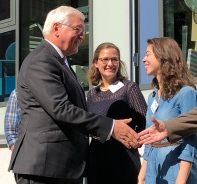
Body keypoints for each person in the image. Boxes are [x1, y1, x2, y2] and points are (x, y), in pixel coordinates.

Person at [8, 6, 140, 184]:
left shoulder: (59, 61)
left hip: (62, 168)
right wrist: (111, 127)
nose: (82, 35)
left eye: (83, 31)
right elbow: (61, 108)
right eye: (77, 29)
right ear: (56, 28)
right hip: (45, 168)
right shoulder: (42, 61)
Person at [138, 37, 197, 184]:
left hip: (175, 170)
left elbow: (191, 141)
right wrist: (141, 177)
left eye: (148, 54)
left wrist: (180, 180)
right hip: (152, 172)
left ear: (163, 56)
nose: (143, 59)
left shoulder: (186, 93)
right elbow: (149, 142)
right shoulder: (152, 97)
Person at [86, 42, 147, 184]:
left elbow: (144, 122)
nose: (110, 64)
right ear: (96, 63)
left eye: (114, 59)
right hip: (97, 158)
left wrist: (134, 142)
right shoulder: (91, 95)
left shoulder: (129, 88)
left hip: (124, 158)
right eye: (105, 59)